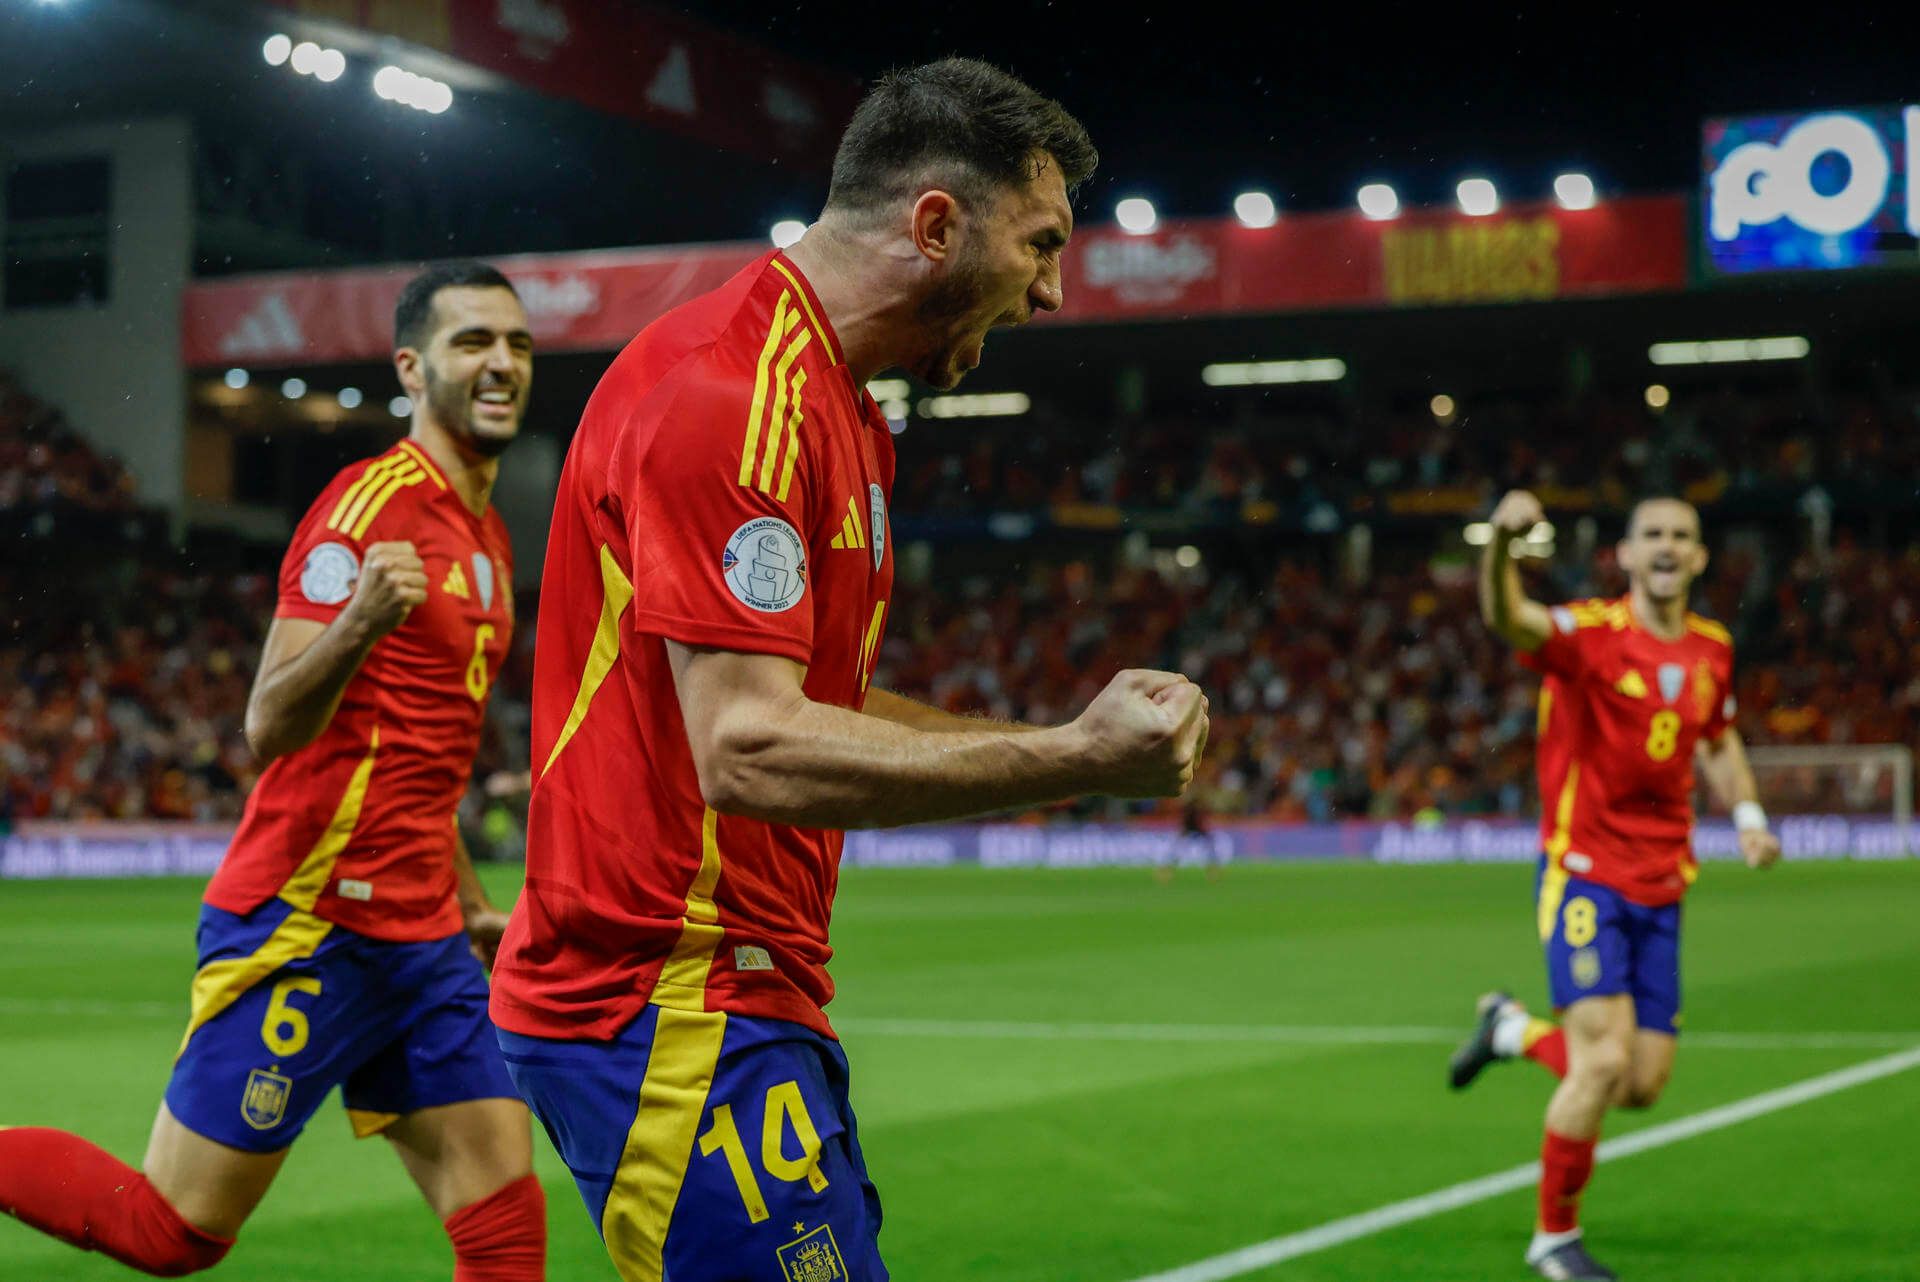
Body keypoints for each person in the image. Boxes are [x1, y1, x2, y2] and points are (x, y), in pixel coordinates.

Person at [489, 58, 1208, 1282]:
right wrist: (1075, 760)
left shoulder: (843, 409)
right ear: (936, 224)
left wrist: (1063, 733)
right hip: (667, 997)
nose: (1051, 292)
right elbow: (749, 744)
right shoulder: (731, 393)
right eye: (1040, 245)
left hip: (738, 990)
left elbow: (810, 697)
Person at [0, 262, 547, 1281]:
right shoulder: (364, 508)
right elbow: (268, 721)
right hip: (311, 919)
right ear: (411, 367)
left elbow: (422, 765)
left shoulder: (486, 534)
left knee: (507, 1233)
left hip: (421, 939)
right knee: (173, 1234)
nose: (501, 362)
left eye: (515, 343)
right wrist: (358, 623)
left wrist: (469, 899)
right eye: (472, 341)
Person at [1448, 490, 1781, 1281]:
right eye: (1651, 535)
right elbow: (1510, 620)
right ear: (1626, 556)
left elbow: (1719, 737)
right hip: (1586, 877)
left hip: (1663, 884)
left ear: (1699, 559)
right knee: (1600, 1062)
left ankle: (1510, 1032)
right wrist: (1499, 545)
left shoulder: (1711, 648)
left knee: (1639, 1084)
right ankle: (1553, 1239)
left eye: (1682, 537)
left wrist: (1749, 815)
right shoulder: (1590, 636)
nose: (1666, 547)